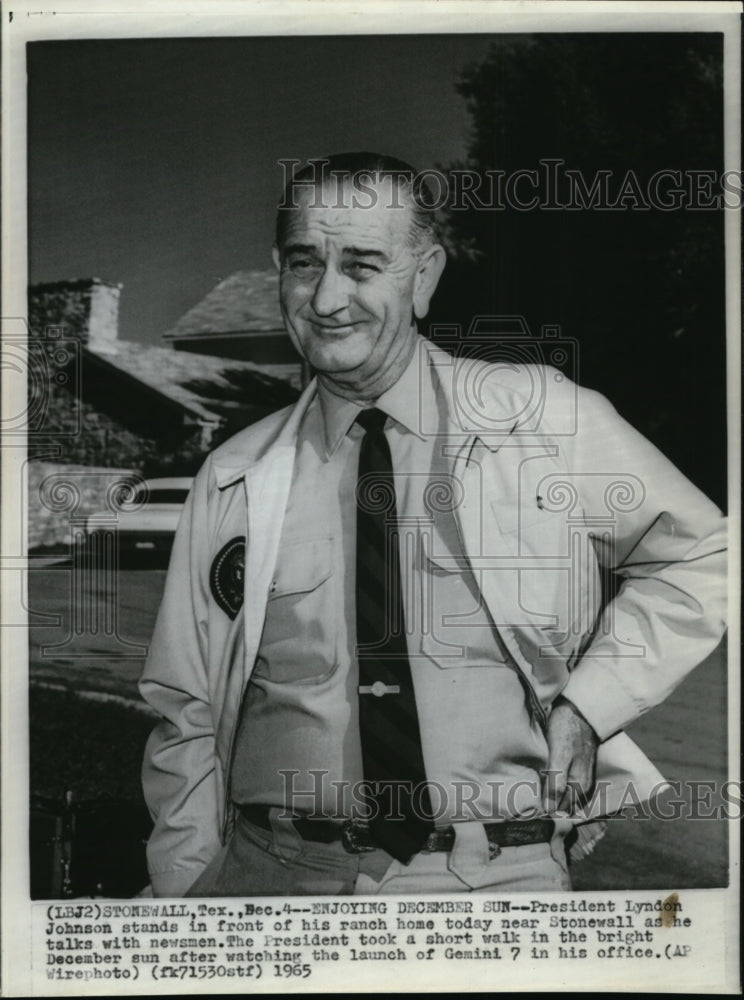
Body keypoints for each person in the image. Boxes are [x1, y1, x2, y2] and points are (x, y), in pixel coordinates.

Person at [140, 152, 727, 897]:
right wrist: (185, 890)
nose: (326, 298)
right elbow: (184, 711)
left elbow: (704, 552)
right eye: (303, 262)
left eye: (361, 265)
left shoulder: (545, 418)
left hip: (494, 882)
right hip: (274, 878)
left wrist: (590, 705)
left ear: (423, 278)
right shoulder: (231, 477)